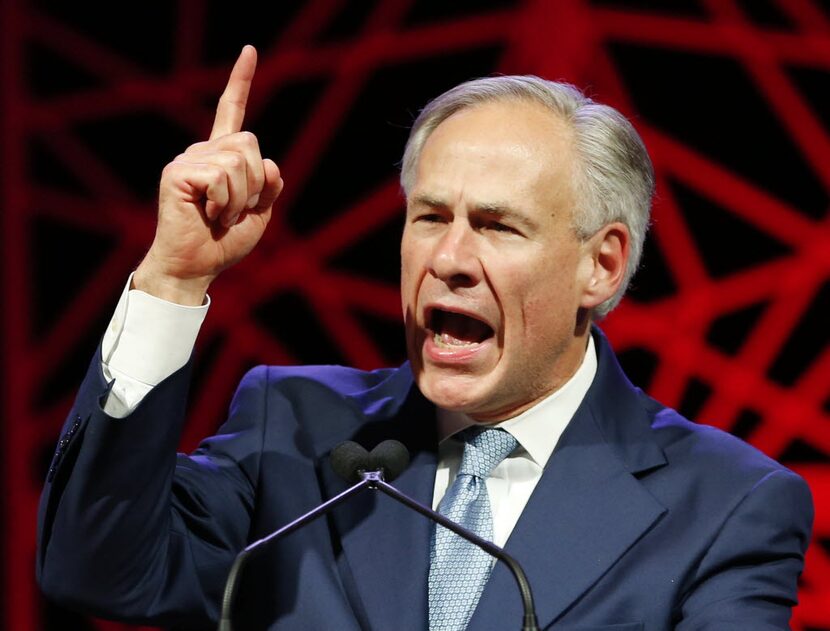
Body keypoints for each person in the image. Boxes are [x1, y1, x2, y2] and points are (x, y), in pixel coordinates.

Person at [37, 45, 812, 631]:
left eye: (498, 226)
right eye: (431, 217)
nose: (448, 259)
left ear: (600, 266)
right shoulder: (298, 429)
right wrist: (173, 278)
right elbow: (96, 569)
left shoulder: (726, 505)